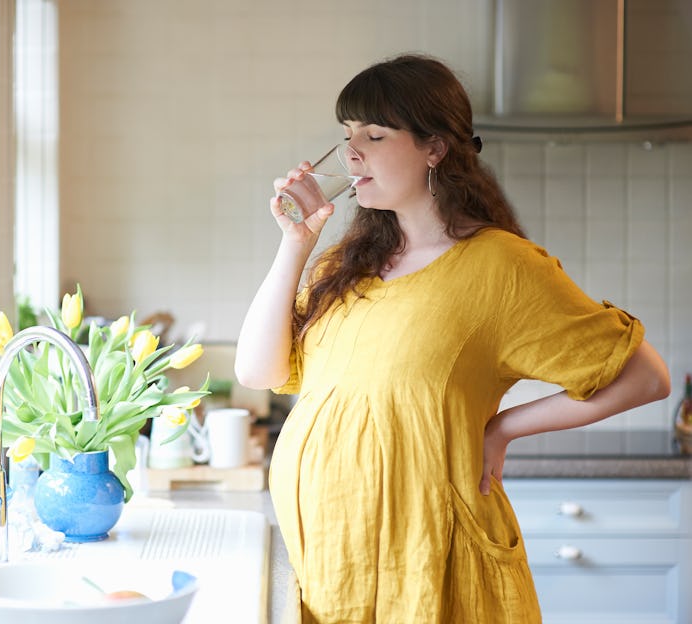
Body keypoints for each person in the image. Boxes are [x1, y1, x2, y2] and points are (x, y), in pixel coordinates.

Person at [234, 53, 671, 624]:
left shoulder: (502, 267)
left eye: (374, 133)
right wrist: (296, 242)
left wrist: (505, 425)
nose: (351, 153)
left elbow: (646, 377)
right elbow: (258, 372)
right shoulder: (346, 266)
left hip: (430, 569)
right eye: (347, 135)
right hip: (334, 568)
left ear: (434, 148)